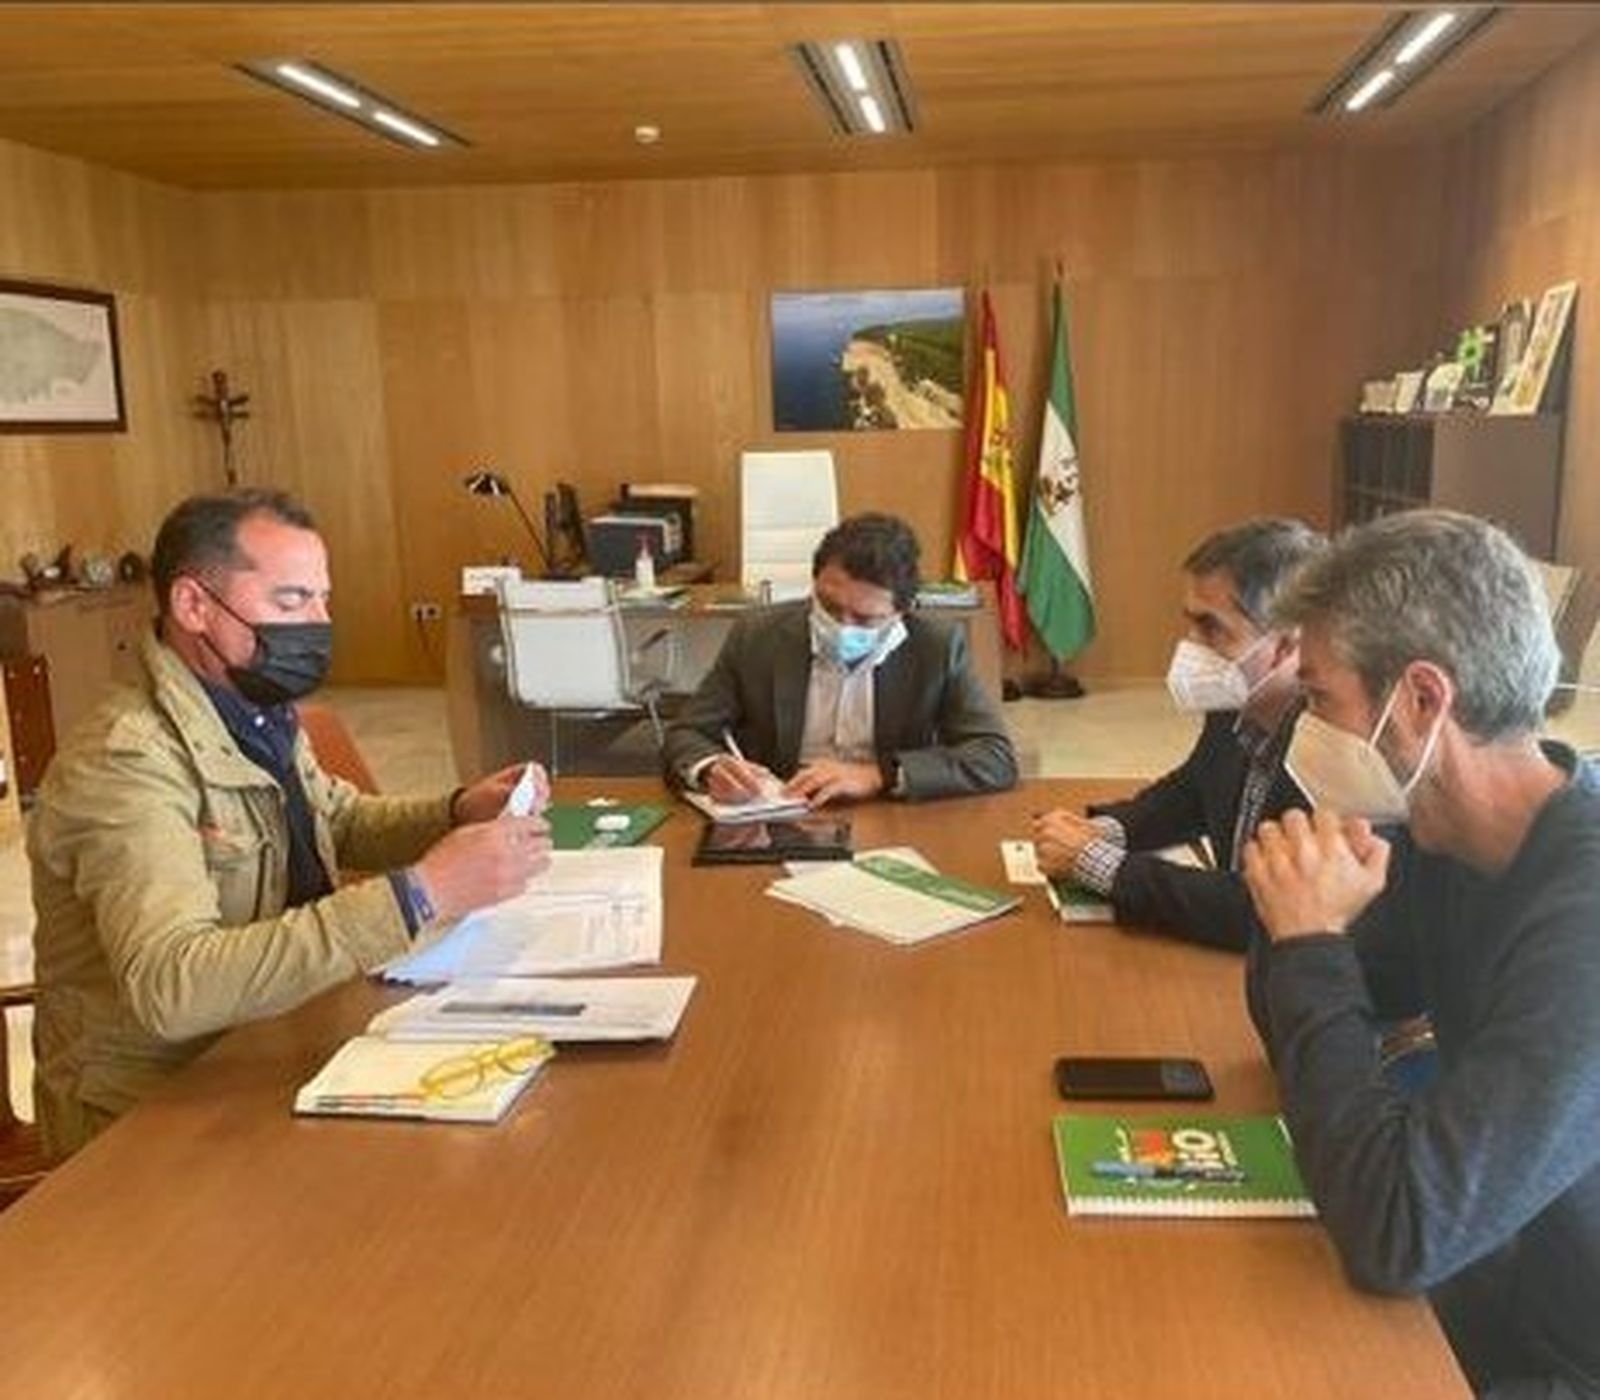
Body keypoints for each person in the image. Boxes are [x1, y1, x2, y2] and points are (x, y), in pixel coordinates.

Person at [29, 489, 552, 1158]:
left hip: (276, 1039)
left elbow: (334, 818)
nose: (318, 624)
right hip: (155, 1109)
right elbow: (172, 986)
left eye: (322, 599)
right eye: (291, 601)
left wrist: (455, 811)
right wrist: (421, 893)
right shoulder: (126, 760)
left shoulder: (250, 703)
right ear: (193, 605)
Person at [1239, 510, 1600, 1399]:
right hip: (1512, 1269)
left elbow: (1401, 1233)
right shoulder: (1445, 839)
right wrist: (1301, 929)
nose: (1301, 727)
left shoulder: (1584, 910)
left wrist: (1311, 941)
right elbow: (1295, 1026)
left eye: (1319, 698)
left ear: (1425, 700)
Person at [1032, 518, 1324, 951]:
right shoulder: (1238, 703)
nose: (1190, 645)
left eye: (1211, 628)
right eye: (1190, 623)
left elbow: (1265, 909)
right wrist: (1107, 831)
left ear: (1285, 645)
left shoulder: (1331, 749)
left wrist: (1101, 865)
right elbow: (1193, 791)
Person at [662, 512, 1017, 805]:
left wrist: (879, 774)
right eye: (829, 607)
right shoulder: (757, 636)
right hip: (781, 806)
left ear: (902, 611)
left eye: (864, 619)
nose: (840, 627)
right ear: (814, 583)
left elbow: (994, 756)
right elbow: (688, 733)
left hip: (887, 810)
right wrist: (711, 768)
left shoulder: (936, 647)